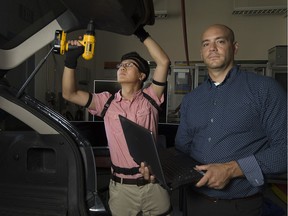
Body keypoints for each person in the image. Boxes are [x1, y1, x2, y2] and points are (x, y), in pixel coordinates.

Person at [172, 24, 287, 216]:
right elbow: (182, 149)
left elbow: (285, 149)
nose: (212, 48)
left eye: (220, 41)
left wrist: (232, 169)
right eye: (206, 44)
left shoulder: (264, 90)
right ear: (201, 52)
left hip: (240, 206)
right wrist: (159, 168)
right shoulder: (192, 99)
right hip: (194, 203)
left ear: (234, 47)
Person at [62, 26, 171, 216]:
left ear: (142, 76)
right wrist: (70, 61)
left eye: (129, 65)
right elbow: (69, 94)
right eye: (120, 66)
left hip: (154, 185)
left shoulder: (151, 98)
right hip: (121, 190)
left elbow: (163, 62)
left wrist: (140, 32)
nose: (122, 68)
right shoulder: (106, 102)